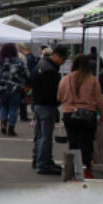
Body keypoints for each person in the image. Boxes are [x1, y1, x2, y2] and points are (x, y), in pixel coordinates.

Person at [58, 54, 102, 178]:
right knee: (86, 144)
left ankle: (72, 169)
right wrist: (102, 116)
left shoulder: (66, 79)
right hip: (88, 114)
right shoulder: (93, 80)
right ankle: (85, 169)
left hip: (69, 114)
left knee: (73, 142)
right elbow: (99, 101)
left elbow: (59, 97)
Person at [30, 44, 67, 175]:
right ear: (56, 55)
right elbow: (50, 92)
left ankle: (40, 160)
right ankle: (44, 163)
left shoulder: (41, 65)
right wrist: (57, 102)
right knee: (45, 136)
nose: (62, 63)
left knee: (40, 135)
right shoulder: (50, 70)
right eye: (62, 59)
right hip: (46, 105)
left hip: (38, 104)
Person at [0, 42, 28, 136]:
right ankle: (11, 127)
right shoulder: (19, 61)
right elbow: (27, 74)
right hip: (16, 88)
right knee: (14, 108)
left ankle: (3, 123)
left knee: (3, 106)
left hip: (2, 88)